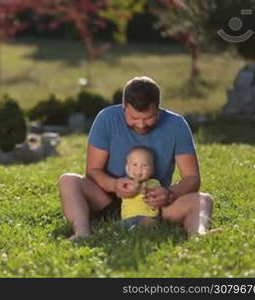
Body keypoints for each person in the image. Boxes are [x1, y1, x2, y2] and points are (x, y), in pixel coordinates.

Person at [58, 76, 215, 240]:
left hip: (153, 205)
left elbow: (192, 178)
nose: (141, 124)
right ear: (124, 106)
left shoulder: (177, 125)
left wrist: (169, 194)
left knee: (203, 200)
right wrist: (114, 185)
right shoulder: (106, 119)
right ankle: (82, 232)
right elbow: (93, 171)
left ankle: (198, 235)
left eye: (148, 118)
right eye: (134, 118)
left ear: (158, 108)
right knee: (69, 180)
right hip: (108, 201)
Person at [120, 145, 161, 231]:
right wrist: (136, 186)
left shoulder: (154, 183)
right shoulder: (125, 182)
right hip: (128, 218)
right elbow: (126, 191)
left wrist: (148, 192)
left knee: (153, 223)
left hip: (148, 217)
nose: (139, 169)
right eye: (134, 164)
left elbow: (157, 197)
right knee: (118, 226)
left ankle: (137, 229)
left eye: (144, 166)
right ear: (127, 168)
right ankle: (132, 229)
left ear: (152, 169)